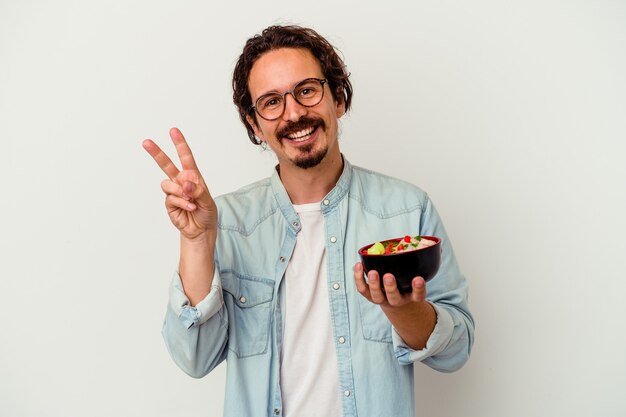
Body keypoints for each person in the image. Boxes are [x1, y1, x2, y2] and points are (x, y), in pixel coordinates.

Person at [143, 25, 474, 417]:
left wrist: (402, 309)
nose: (294, 113)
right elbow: (193, 359)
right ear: (255, 125)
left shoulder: (406, 209)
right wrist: (197, 242)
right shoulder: (225, 221)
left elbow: (456, 351)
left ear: (338, 98)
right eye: (271, 102)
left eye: (306, 91)